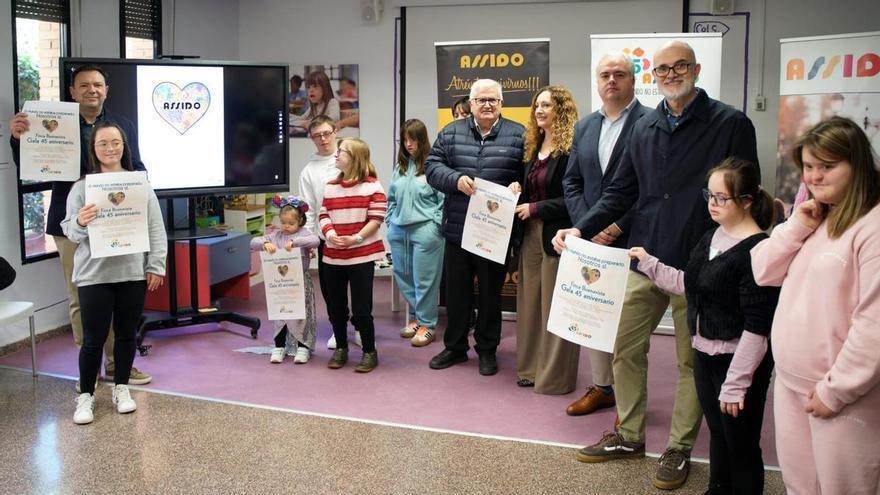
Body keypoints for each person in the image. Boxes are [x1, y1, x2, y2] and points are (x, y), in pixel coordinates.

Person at [553, 40, 758, 490]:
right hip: (644, 257)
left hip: (699, 264)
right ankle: (629, 434)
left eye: (679, 66)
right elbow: (620, 192)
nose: (670, 74)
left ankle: (679, 446)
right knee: (624, 346)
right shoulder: (645, 127)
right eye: (662, 69)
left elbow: (748, 194)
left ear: (696, 69)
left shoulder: (730, 123)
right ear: (654, 75)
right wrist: (580, 230)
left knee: (691, 361)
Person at [631, 158, 779, 494]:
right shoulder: (712, 234)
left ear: (746, 201)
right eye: (709, 196)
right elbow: (692, 283)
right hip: (704, 353)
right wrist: (650, 264)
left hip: (736, 363)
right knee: (718, 433)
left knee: (740, 443)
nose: (712, 204)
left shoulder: (759, 250)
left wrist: (736, 383)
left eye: (721, 198)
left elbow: (758, 328)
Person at [751, 116, 880, 494]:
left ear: (857, 165)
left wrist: (835, 391)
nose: (814, 177)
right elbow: (762, 270)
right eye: (808, 167)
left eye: (827, 166)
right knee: (800, 486)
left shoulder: (872, 226)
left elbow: (873, 323)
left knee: (845, 488)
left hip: (842, 394)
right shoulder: (816, 215)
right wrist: (795, 227)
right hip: (791, 381)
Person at [8, 64, 153, 387]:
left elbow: (138, 168)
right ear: (72, 92)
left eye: (98, 85)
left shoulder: (122, 126)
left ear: (106, 90)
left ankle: (119, 366)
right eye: (84, 85)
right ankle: (89, 368)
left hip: (118, 224)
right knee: (79, 299)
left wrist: (137, 192)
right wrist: (19, 139)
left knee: (117, 295)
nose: (92, 90)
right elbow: (31, 167)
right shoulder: (56, 126)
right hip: (70, 224)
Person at [61, 122, 167, 425]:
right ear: (93, 149)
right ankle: (86, 396)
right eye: (103, 144)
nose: (110, 149)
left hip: (131, 272)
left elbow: (155, 228)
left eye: (115, 143)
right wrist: (81, 221)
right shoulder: (82, 188)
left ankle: (122, 387)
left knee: (125, 335)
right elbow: (70, 232)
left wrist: (155, 264)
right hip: (94, 274)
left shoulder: (140, 185)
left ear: (124, 146)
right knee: (93, 338)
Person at [562, 53, 649, 416]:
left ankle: (630, 401)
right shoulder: (584, 127)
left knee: (628, 328)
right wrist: (587, 226)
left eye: (619, 74)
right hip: (590, 242)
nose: (611, 81)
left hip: (632, 236)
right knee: (593, 316)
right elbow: (572, 181)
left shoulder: (651, 122)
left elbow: (649, 187)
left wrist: (614, 226)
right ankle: (602, 387)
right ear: (597, 82)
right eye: (605, 75)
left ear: (633, 81)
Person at [425, 79, 525, 376]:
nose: (487, 105)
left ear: (501, 103)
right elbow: (432, 167)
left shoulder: (519, 135)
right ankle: (455, 348)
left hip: (495, 231)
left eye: (493, 100)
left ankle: (487, 350)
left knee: (492, 294)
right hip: (458, 227)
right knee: (456, 293)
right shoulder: (451, 132)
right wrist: (454, 179)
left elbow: (531, 175)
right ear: (470, 104)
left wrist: (522, 186)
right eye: (481, 100)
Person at [507, 85, 580, 394]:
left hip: (556, 236)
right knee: (529, 305)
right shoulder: (532, 149)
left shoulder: (571, 151)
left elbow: (576, 198)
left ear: (560, 110)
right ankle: (529, 369)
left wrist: (535, 207)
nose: (538, 110)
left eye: (546, 105)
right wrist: (516, 189)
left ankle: (554, 378)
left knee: (554, 308)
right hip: (530, 236)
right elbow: (532, 189)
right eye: (537, 105)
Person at [318, 138, 387, 373]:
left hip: (361, 256)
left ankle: (369, 352)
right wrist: (330, 234)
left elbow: (376, 219)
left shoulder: (373, 187)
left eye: (341, 151)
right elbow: (323, 215)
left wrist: (356, 238)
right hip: (332, 256)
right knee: (336, 307)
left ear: (355, 157)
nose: (335, 155)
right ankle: (341, 348)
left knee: (361, 309)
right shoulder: (330, 186)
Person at [298, 116, 361, 350]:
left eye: (326, 133)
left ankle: (361, 328)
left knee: (360, 288)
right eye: (317, 135)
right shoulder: (309, 171)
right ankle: (339, 329)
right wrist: (308, 241)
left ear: (335, 131)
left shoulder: (350, 160)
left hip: (356, 237)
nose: (323, 139)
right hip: (327, 239)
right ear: (311, 138)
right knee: (331, 290)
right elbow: (309, 209)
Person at [386, 119, 445, 347]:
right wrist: (390, 222)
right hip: (399, 232)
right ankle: (418, 319)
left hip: (426, 231)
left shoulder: (433, 166)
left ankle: (427, 324)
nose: (409, 144)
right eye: (405, 140)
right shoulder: (400, 167)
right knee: (404, 276)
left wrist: (436, 225)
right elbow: (391, 198)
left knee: (425, 280)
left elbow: (443, 200)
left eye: (413, 139)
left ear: (422, 139)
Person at [251, 195, 320, 364]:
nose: (286, 227)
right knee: (280, 314)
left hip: (299, 283)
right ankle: (279, 346)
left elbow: (315, 240)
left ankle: (303, 347)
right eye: (283, 222)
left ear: (300, 221)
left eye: (291, 223)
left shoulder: (304, 234)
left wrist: (295, 242)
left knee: (300, 315)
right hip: (280, 285)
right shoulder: (276, 235)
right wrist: (264, 244)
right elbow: (253, 242)